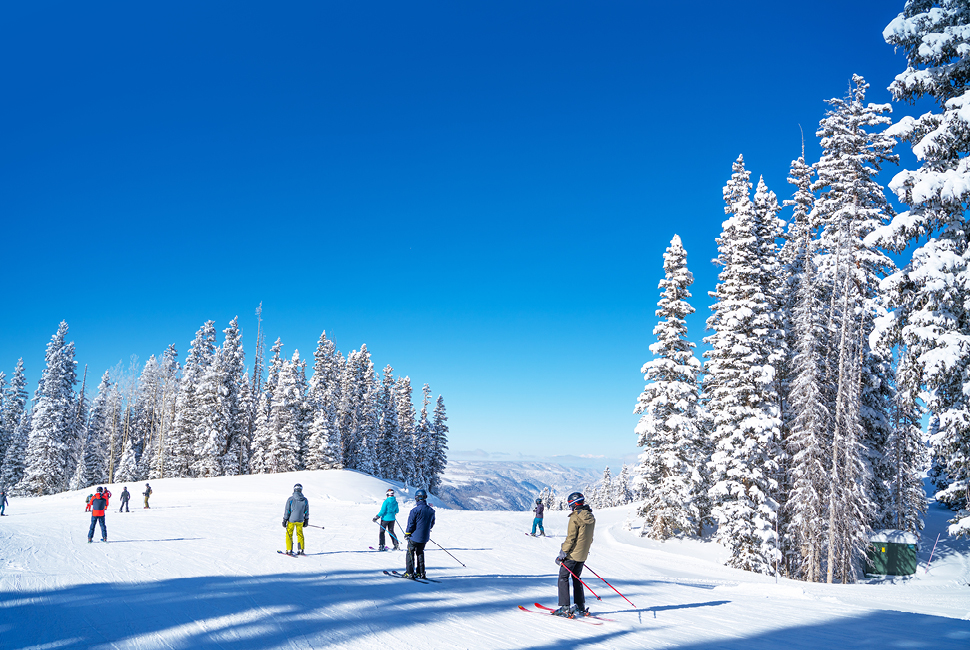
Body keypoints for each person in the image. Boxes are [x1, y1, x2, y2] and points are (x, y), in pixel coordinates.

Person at [553, 491, 595, 618]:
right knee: (576, 578)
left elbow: (571, 538)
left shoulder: (575, 517)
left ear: (573, 504)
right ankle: (580, 606)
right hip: (582, 555)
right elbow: (588, 537)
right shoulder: (590, 517)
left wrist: (562, 554)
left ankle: (565, 607)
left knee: (563, 577)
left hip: (572, 555)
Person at [403, 488, 435, 580]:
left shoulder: (415, 510)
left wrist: (408, 533)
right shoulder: (431, 510)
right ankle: (421, 573)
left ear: (417, 498)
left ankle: (409, 573)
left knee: (410, 552)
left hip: (414, 537)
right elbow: (431, 523)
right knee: (420, 553)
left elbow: (411, 524)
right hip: (425, 537)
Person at [282, 483, 309, 556]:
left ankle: (289, 549)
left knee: (289, 534)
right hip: (300, 520)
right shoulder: (305, 500)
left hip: (291, 520)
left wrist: (285, 520)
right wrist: (306, 520)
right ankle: (301, 550)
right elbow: (306, 511)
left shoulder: (290, 499)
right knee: (300, 534)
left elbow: (287, 510)